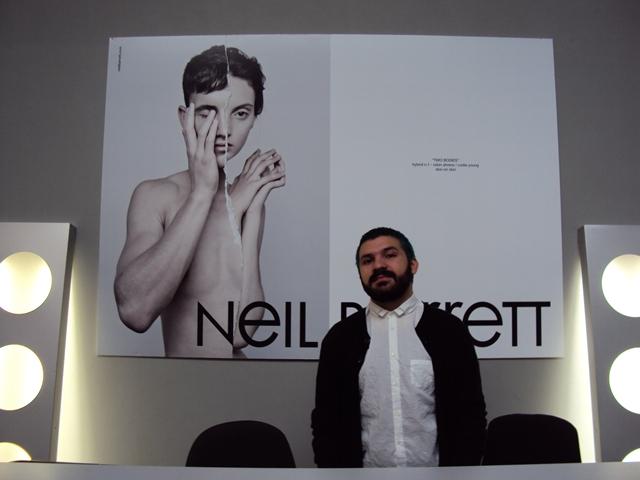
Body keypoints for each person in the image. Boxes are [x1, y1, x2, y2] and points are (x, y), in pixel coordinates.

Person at [114, 45, 285, 358]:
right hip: (186, 382)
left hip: (241, 378)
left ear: (253, 120)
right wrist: (205, 194)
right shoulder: (155, 196)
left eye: (240, 113)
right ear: (186, 117)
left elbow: (241, 334)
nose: (225, 129)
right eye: (208, 111)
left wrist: (253, 208)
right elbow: (135, 311)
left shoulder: (246, 199)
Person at [311, 227, 486, 467]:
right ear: (359, 273)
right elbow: (326, 422)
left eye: (390, 255)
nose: (378, 265)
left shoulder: (449, 331)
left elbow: (471, 415)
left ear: (413, 265)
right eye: (367, 260)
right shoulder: (340, 339)